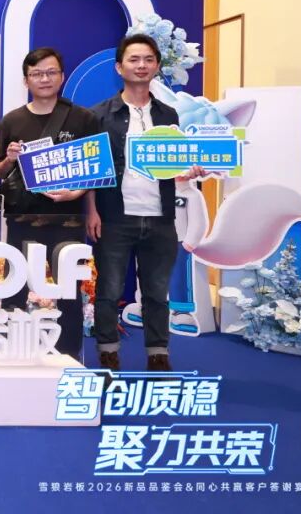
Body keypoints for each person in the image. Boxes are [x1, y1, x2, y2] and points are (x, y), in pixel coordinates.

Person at [86, 33, 205, 372]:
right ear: (119, 67)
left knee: (156, 292)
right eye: (134, 59)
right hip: (114, 216)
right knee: (108, 290)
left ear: (156, 66)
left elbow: (173, 164)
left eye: (148, 59)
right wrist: (92, 211)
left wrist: (189, 170)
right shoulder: (99, 115)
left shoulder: (169, 115)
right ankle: (108, 354)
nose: (141, 65)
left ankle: (158, 355)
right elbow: (93, 168)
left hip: (161, 217)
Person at [0, 47, 99, 361]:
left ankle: (68, 355)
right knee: (14, 286)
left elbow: (94, 170)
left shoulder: (83, 118)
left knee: (69, 291)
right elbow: (0, 171)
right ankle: (15, 353)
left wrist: (82, 200)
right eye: (37, 73)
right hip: (23, 218)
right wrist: (9, 159)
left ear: (62, 76)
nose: (44, 79)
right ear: (26, 80)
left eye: (51, 72)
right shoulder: (12, 120)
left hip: (68, 219)